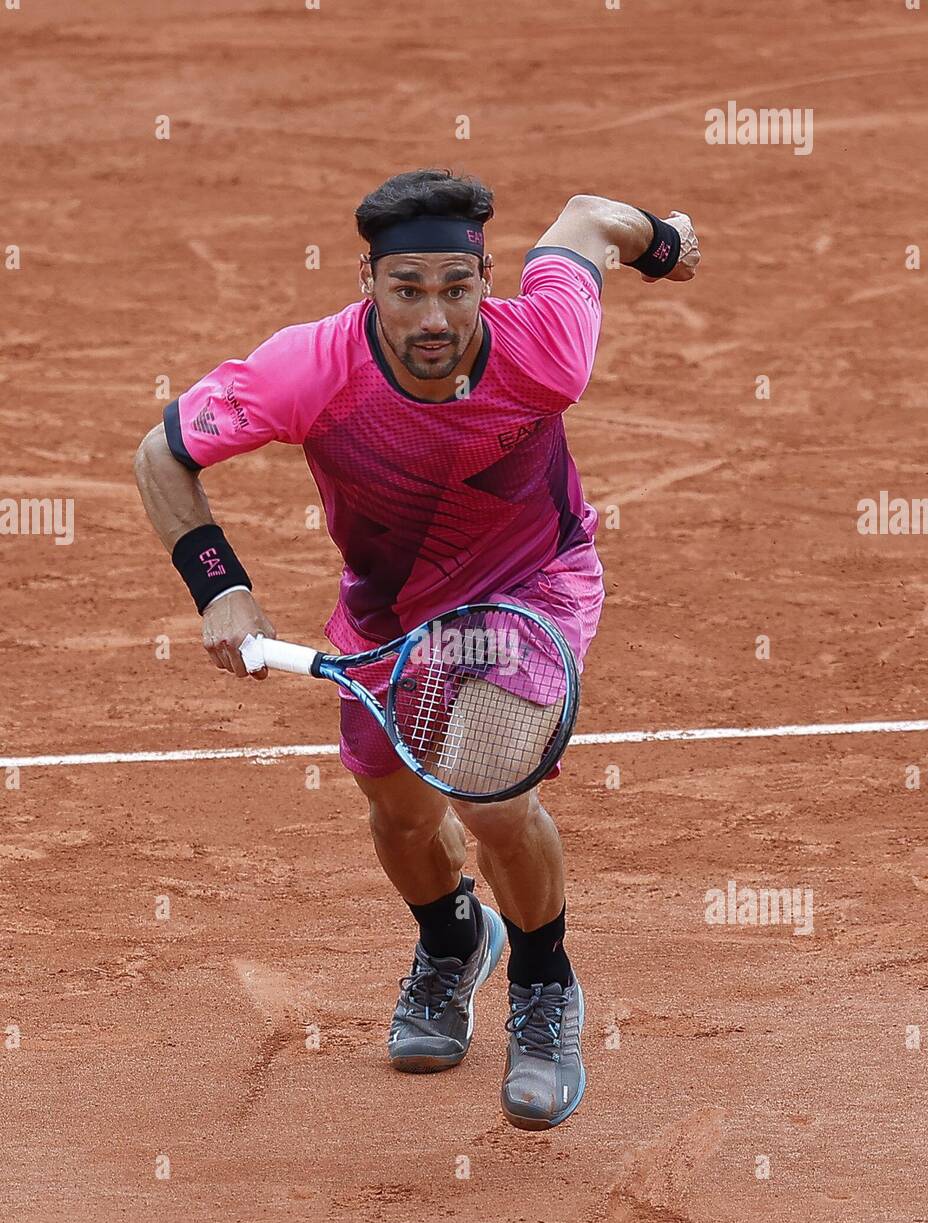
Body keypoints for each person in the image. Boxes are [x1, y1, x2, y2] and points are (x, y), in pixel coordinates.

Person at [133, 168, 700, 1129]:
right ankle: (450, 942)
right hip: (391, 617)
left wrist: (663, 244)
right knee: (400, 816)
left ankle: (544, 986)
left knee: (495, 792)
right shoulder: (307, 369)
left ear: (486, 279)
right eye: (407, 290)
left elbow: (587, 220)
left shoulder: (548, 349)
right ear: (369, 283)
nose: (433, 314)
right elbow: (163, 457)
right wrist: (221, 587)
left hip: (532, 588)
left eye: (457, 286)